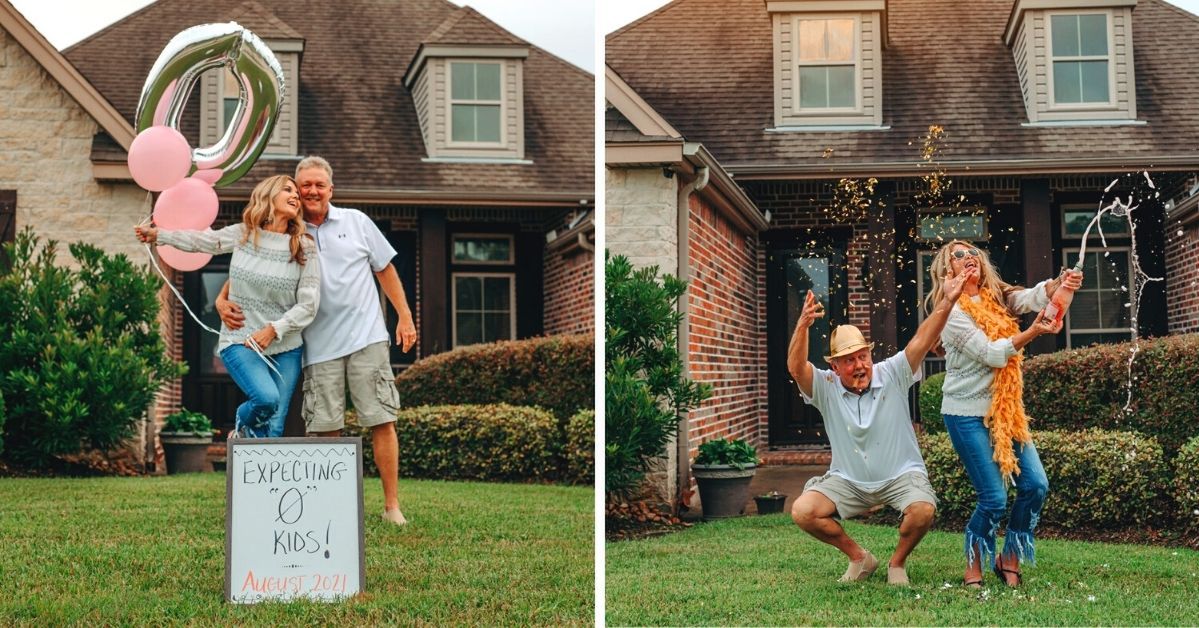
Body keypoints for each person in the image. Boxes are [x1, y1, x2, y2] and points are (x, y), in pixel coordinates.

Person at [215, 156, 417, 526]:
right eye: (303, 184)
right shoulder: (287, 229)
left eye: (318, 185)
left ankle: (391, 507)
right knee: (325, 427)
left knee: (381, 418)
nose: (310, 191)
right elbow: (249, 265)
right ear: (294, 188)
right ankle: (335, 508)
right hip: (316, 346)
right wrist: (220, 298)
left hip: (365, 337)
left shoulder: (356, 222)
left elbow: (385, 269)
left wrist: (404, 315)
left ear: (330, 189)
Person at [786, 264, 973, 586]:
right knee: (804, 511)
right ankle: (860, 558)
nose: (860, 365)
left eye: (863, 356)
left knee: (923, 510)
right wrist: (802, 325)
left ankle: (896, 563)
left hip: (901, 475)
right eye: (849, 360)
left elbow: (922, 339)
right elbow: (795, 367)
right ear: (834, 365)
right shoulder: (825, 386)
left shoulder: (892, 373)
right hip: (848, 481)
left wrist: (949, 299)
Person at [926, 239, 1082, 588]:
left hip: (1005, 410)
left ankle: (1009, 556)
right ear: (946, 270)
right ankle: (974, 562)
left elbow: (1029, 298)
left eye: (973, 253)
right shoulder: (949, 312)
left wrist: (1060, 283)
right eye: (959, 256)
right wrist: (1033, 331)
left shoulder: (998, 297)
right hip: (965, 413)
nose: (969, 259)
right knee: (993, 498)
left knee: (1036, 485)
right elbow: (991, 353)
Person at [135, 175, 319, 439]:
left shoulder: (304, 248)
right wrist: (159, 235)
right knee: (266, 400)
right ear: (268, 196)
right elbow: (202, 241)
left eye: (296, 194)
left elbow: (309, 304)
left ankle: (257, 475)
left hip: (286, 346)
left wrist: (273, 330)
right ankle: (243, 425)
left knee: (275, 424)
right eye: (287, 190)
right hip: (240, 339)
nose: (295, 197)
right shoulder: (244, 235)